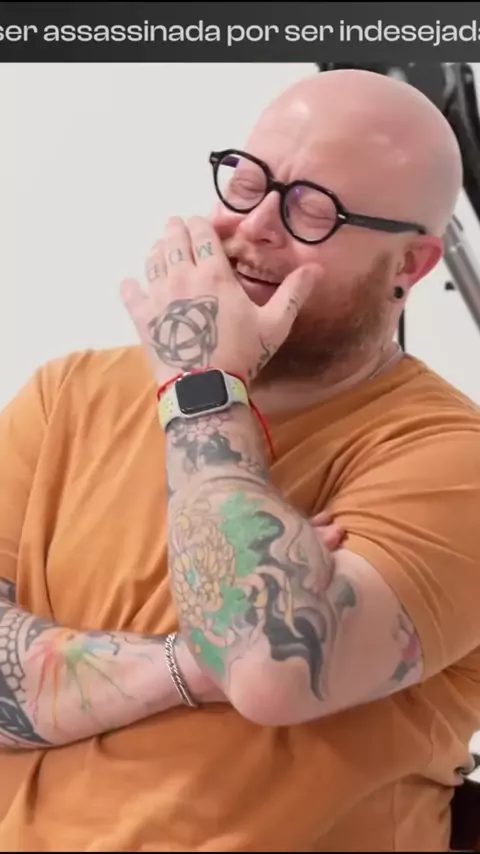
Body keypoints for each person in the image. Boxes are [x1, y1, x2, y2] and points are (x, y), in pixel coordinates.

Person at [0, 66, 480, 853]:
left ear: (411, 266)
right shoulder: (66, 397)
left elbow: (270, 672)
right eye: (248, 180)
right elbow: (247, 649)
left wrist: (201, 390)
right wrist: (193, 663)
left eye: (313, 210)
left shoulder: (453, 459)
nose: (255, 225)